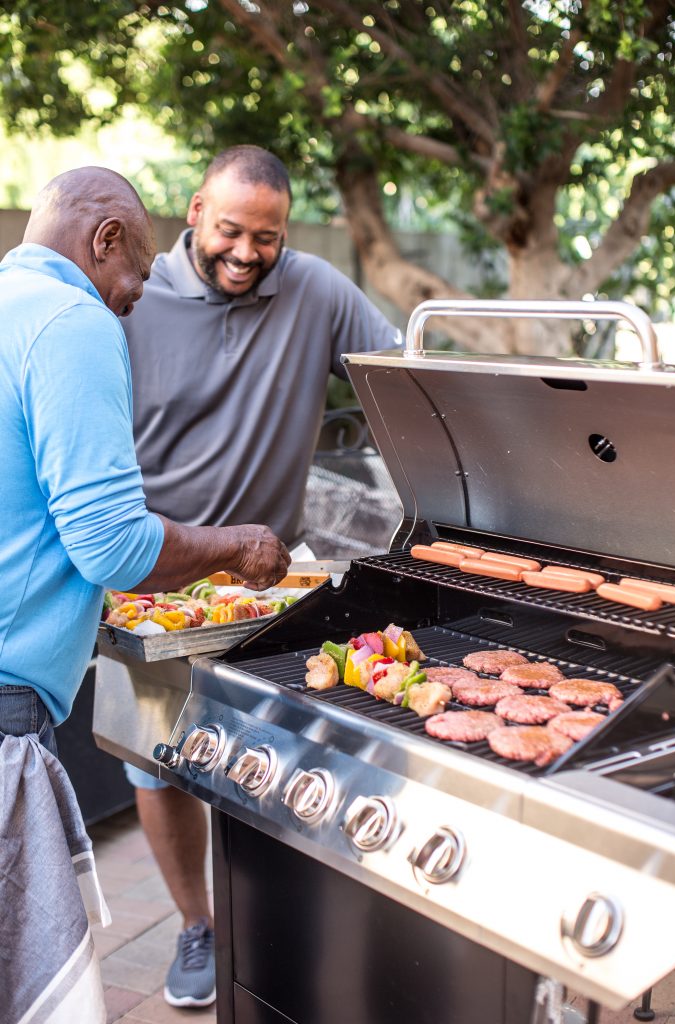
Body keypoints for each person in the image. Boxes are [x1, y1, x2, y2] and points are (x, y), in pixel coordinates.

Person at [118, 145, 401, 1008]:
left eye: (266, 238)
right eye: (232, 231)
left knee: (277, 753)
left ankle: (286, 926)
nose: (246, 253)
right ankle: (199, 926)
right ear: (196, 211)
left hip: (273, 585)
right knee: (155, 762)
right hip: (153, 583)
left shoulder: (314, 288)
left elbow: (399, 376)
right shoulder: (131, 301)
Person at [0, 164, 291, 769]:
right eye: (138, 273)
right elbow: (114, 548)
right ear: (105, 239)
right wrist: (240, 545)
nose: (134, 301)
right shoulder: (74, 320)